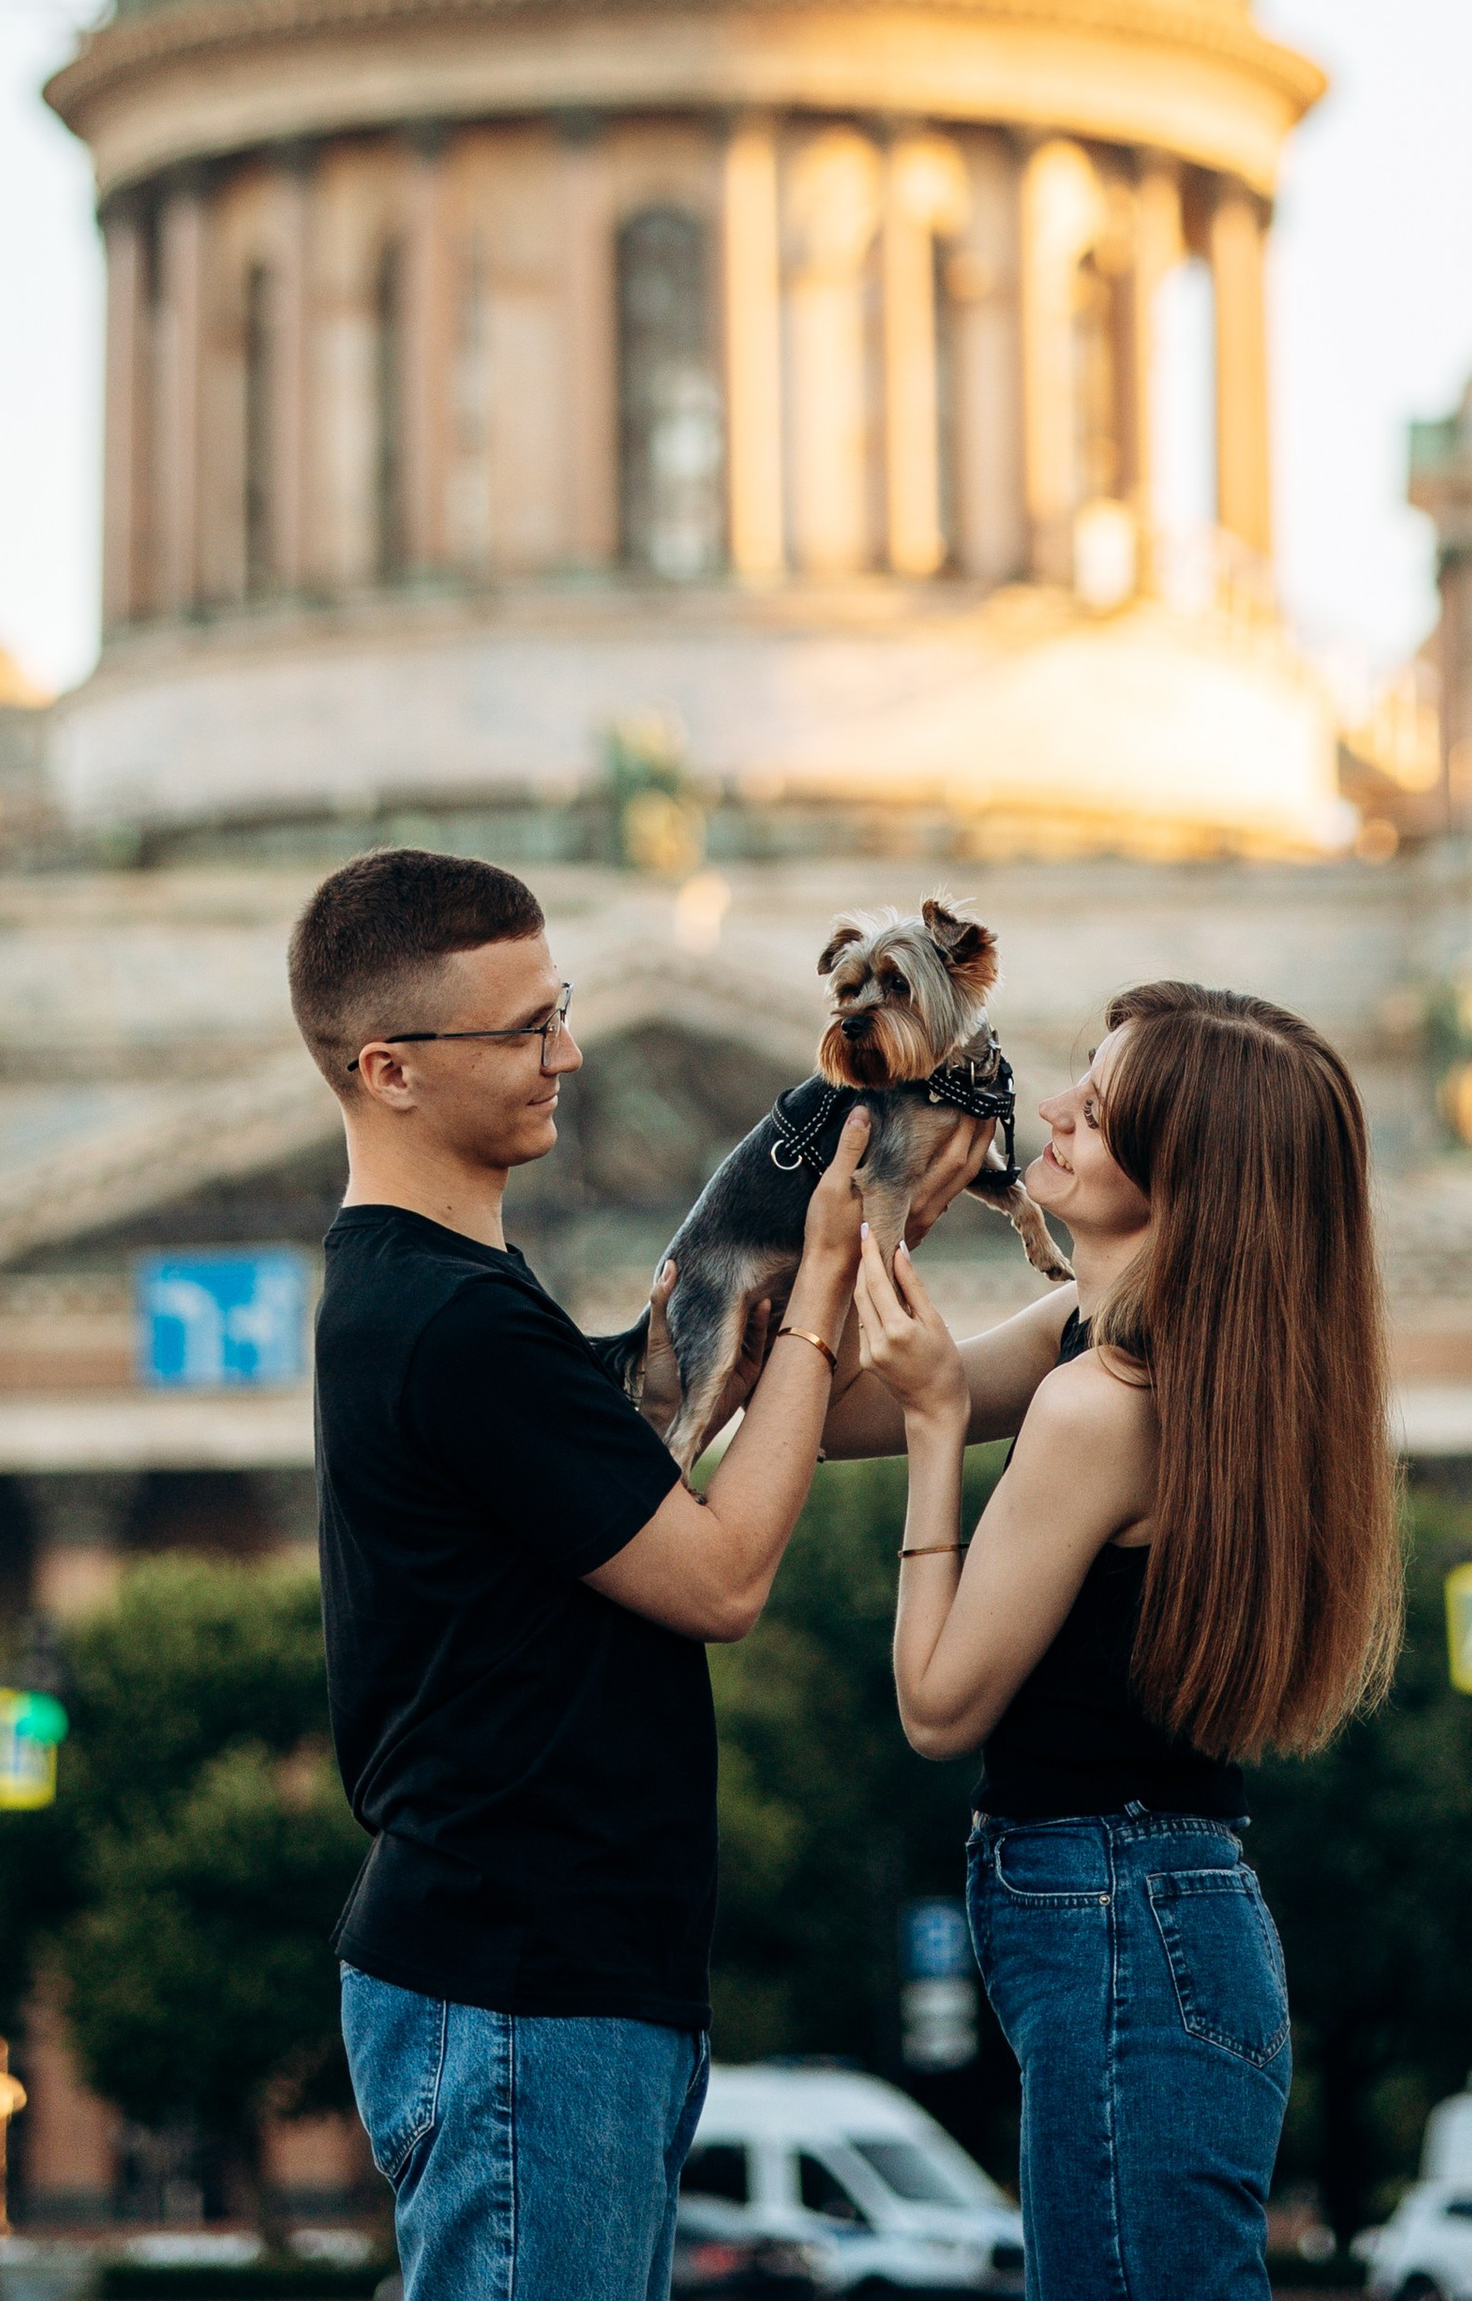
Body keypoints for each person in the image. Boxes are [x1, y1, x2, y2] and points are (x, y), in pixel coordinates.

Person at [293, 847, 985, 2301]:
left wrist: (1070, 1334)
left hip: (552, 1983)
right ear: (390, 1070)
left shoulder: (452, 1301)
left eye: (561, 1009)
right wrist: (819, 1279)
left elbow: (686, 1440)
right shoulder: (456, 1327)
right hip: (522, 1987)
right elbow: (722, 1579)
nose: (568, 1055)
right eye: (523, 1030)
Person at [840, 980, 1401, 2301]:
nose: (1050, 1109)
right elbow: (823, 1420)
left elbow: (936, 1706)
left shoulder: (1105, 1402)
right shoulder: (1113, 1343)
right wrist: (869, 1225)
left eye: (1097, 1112)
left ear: (1184, 1178)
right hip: (1151, 1913)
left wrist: (938, 1433)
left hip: (1120, 1915)